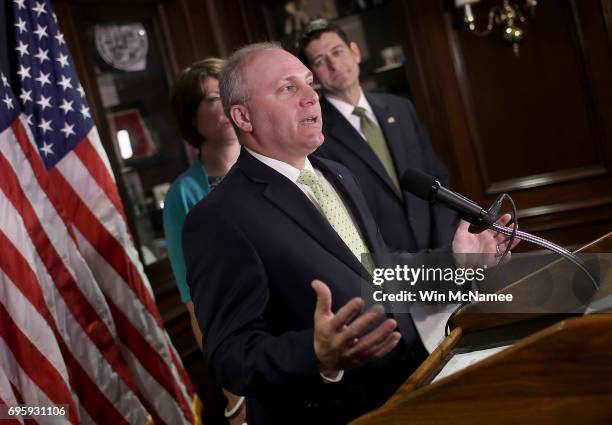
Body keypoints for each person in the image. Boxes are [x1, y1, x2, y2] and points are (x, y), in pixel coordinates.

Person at [183, 43, 516, 425]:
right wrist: (317, 354)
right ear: (243, 116)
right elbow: (230, 356)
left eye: (309, 84)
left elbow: (379, 274)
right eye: (288, 89)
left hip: (413, 386)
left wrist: (457, 265)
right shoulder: (219, 218)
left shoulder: (336, 173)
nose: (312, 97)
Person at [296, 19, 457, 253]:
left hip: (441, 253)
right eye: (320, 61)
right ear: (314, 76)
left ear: (355, 52)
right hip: (383, 269)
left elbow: (437, 178)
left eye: (337, 52)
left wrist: (444, 249)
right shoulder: (315, 134)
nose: (334, 64)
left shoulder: (401, 108)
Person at [163, 58, 244, 424]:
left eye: (228, 92)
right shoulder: (185, 194)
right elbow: (197, 304)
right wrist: (233, 395)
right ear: (191, 118)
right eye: (213, 99)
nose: (225, 104)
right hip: (243, 338)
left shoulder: (272, 158)